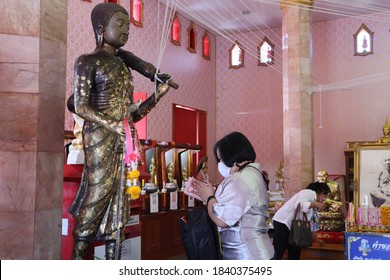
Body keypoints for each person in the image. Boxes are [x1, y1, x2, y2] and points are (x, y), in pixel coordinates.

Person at [68, 2, 174, 260]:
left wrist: (156, 97)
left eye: (128, 25)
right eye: (120, 24)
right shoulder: (87, 61)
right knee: (98, 195)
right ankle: (78, 259)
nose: (126, 30)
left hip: (125, 140)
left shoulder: (124, 66)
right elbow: (80, 105)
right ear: (102, 29)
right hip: (100, 137)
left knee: (121, 205)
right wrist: (111, 124)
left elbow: (132, 114)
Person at [189, 131, 274, 260]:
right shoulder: (253, 173)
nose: (220, 163)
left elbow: (222, 220)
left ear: (231, 157)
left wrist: (209, 198)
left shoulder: (239, 179)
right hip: (258, 250)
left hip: (246, 253)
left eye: (221, 159)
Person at [272, 182, 330, 260]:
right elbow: (299, 205)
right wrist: (316, 204)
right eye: (325, 196)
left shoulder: (313, 204)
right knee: (279, 251)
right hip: (282, 222)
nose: (324, 199)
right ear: (321, 192)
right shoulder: (309, 193)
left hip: (293, 227)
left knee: (295, 253)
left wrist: (316, 239)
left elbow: (308, 224)